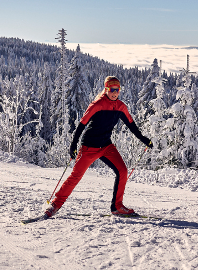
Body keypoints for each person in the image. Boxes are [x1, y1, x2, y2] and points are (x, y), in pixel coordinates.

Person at [45, 76, 153, 218]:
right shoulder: (97, 104)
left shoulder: (121, 107)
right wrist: (74, 144)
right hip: (89, 146)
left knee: (122, 170)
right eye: (112, 89)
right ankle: (55, 205)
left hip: (106, 146)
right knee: (75, 176)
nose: (115, 92)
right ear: (106, 89)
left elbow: (132, 126)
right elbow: (82, 124)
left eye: (117, 90)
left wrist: (144, 139)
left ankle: (117, 206)